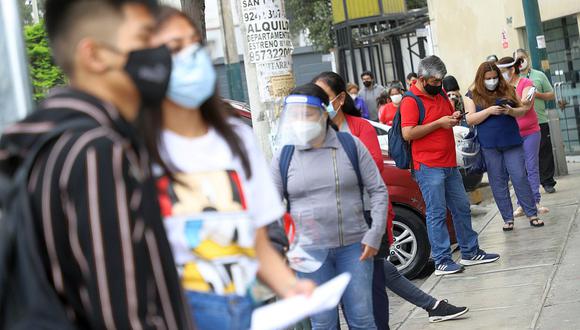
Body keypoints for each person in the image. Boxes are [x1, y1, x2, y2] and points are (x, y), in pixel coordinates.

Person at [0, 0, 194, 328]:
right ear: (94, 55)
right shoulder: (97, 152)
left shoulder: (43, 143)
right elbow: (122, 316)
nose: (159, 51)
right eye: (145, 38)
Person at [146, 7, 315, 329]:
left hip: (240, 308)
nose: (189, 57)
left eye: (194, 45)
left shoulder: (235, 137)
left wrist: (291, 288)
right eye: (173, 48)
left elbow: (259, 242)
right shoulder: (133, 148)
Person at [312, 72, 469, 327]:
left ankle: (430, 306)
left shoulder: (360, 127)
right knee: (370, 276)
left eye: (323, 98)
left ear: (340, 99)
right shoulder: (312, 135)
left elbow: (372, 168)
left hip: (364, 217)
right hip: (329, 225)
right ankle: (433, 305)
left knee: (373, 282)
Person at [271, 83, 388, 330]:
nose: (300, 120)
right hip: (309, 253)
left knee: (362, 319)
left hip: (355, 248)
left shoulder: (350, 145)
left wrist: (374, 233)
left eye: (308, 113)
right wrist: (284, 245)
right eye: (295, 115)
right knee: (322, 322)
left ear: (324, 113)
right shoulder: (284, 155)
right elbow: (270, 206)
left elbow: (378, 190)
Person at [400, 56, 500, 276]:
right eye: (434, 81)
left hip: (448, 162)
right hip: (428, 165)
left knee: (462, 207)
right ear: (421, 78)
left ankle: (470, 251)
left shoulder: (441, 92)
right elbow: (408, 133)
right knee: (436, 212)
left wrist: (453, 116)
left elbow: (444, 115)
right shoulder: (410, 100)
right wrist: (439, 123)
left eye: (441, 81)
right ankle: (442, 260)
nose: (438, 85)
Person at [464, 61, 545, 230]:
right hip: (489, 146)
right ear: (481, 78)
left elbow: (522, 110)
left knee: (520, 177)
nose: (492, 81)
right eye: (488, 78)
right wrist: (489, 111)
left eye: (494, 77)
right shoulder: (472, 94)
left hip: (512, 142)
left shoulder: (508, 89)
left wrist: (510, 111)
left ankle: (532, 214)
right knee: (497, 182)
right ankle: (508, 219)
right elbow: (470, 119)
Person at [497, 56, 549, 216]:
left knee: (531, 167)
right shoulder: (501, 88)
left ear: (511, 70)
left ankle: (535, 201)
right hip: (512, 134)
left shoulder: (526, 83)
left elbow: (526, 105)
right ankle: (522, 203)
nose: (500, 75)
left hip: (531, 131)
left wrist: (512, 102)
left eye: (502, 72)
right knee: (517, 171)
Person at [515, 48, 557, 194]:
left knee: (545, 151)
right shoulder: (515, 79)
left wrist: (536, 94)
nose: (521, 61)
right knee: (527, 155)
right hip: (521, 124)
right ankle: (531, 185)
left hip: (540, 119)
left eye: (523, 58)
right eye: (518, 59)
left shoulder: (539, 75)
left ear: (528, 58)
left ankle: (548, 182)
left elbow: (552, 95)